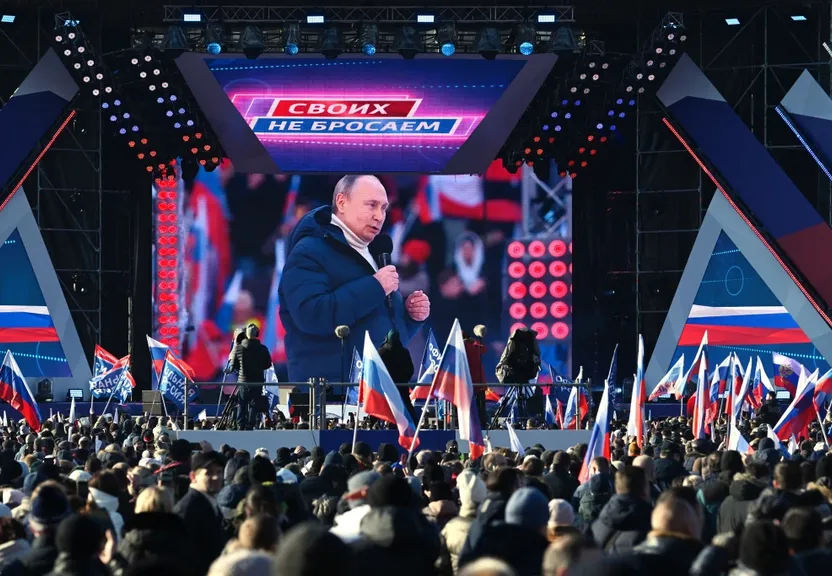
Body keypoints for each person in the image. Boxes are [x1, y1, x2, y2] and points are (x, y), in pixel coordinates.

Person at [279, 175, 430, 383]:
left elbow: (380, 331)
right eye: (371, 205)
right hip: (331, 396)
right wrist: (375, 287)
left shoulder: (375, 254)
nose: (379, 216)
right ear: (342, 202)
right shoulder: (309, 251)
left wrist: (410, 319)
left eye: (384, 208)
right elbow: (312, 315)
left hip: (381, 390)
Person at [173, 451, 227, 576]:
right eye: (208, 473)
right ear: (193, 476)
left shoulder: (208, 502)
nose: (216, 477)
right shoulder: (188, 509)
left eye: (219, 472)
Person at [229, 324, 272, 430]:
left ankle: (240, 424)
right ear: (257, 334)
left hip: (243, 381)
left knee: (242, 403)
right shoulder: (263, 349)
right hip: (257, 382)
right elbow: (268, 365)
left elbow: (234, 365)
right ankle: (250, 425)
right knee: (254, 404)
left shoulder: (239, 348)